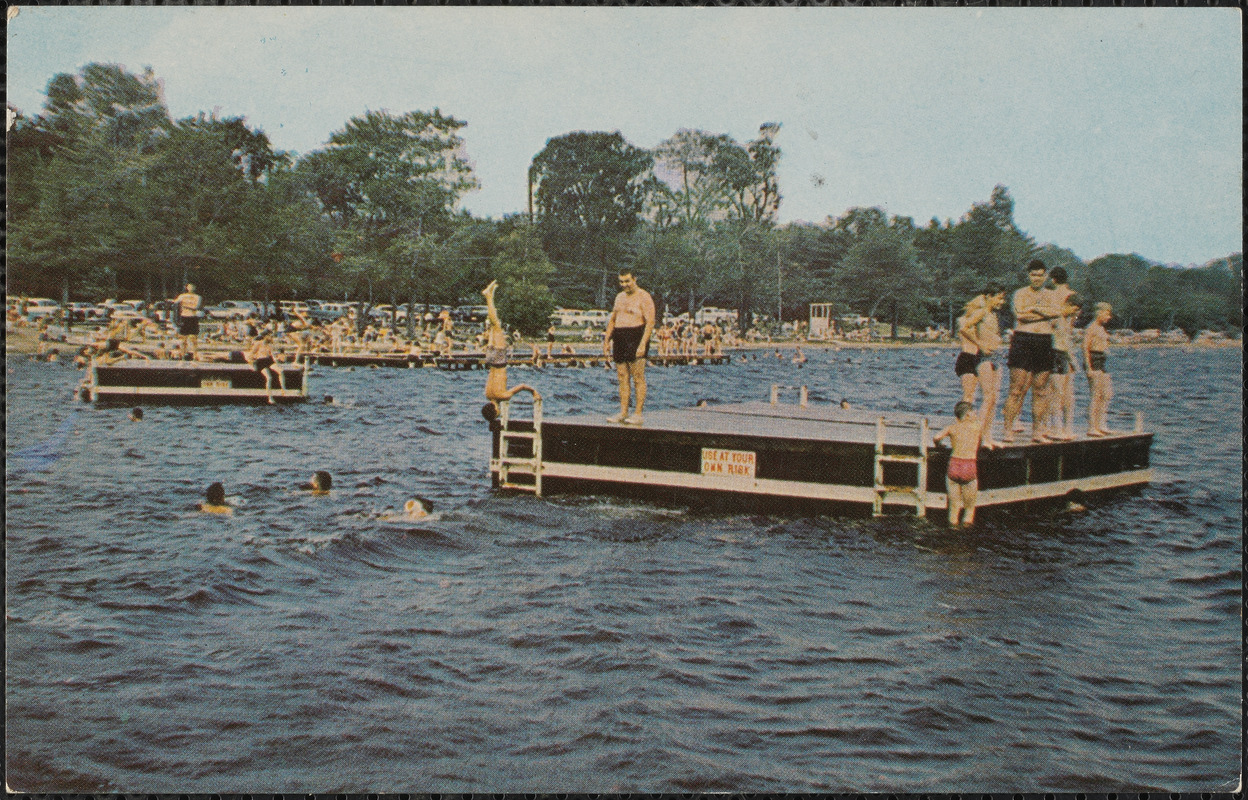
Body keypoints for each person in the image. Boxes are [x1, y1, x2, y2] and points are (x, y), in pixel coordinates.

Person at [1001, 260, 1060, 443]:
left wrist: (1034, 310)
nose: (1037, 278)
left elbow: (1056, 313)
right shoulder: (1020, 293)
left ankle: (1037, 431)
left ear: (1046, 276)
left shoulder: (1051, 294)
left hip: (1043, 340)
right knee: (1016, 389)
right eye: (1034, 275)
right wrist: (1044, 313)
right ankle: (1008, 430)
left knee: (1041, 390)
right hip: (1023, 340)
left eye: (1040, 275)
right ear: (1029, 275)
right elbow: (1020, 316)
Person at [955, 285, 1007, 447]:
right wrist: (980, 344)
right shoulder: (982, 312)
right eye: (999, 298)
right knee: (988, 396)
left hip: (996, 356)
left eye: (1003, 298)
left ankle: (988, 436)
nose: (1002, 302)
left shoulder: (993, 315)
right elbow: (964, 328)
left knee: (994, 399)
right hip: (984, 357)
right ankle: (980, 437)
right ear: (989, 296)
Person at [603, 269, 655, 425]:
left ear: (635, 279)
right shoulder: (619, 297)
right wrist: (607, 339)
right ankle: (623, 412)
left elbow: (650, 322)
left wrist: (643, 344)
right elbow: (613, 319)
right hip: (620, 335)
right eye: (621, 282)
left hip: (636, 335)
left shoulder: (644, 296)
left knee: (638, 377)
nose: (624, 284)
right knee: (622, 377)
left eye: (627, 281)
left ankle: (638, 413)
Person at [481, 281, 539, 415]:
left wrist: (534, 392)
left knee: (496, 324)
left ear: (495, 410)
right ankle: (491, 296)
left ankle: (488, 297)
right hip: (490, 361)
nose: (499, 412)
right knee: (494, 326)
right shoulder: (487, 395)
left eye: (498, 412)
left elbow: (523, 386)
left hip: (499, 362)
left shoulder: (503, 396)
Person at [932, 401, 985, 527]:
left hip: (954, 465)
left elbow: (937, 437)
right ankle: (966, 535)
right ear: (967, 415)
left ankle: (952, 532)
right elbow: (981, 441)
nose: (975, 414)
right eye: (973, 412)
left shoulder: (952, 427)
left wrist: (939, 445)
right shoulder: (977, 427)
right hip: (969, 465)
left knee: (954, 507)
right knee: (969, 508)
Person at [1046, 268, 1082, 441]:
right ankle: (1056, 428)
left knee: (1064, 392)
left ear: (1053, 279)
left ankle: (1062, 427)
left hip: (1062, 350)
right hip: (1055, 349)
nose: (1077, 314)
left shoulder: (1053, 296)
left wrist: (1071, 358)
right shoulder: (1060, 308)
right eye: (1075, 310)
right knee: (1058, 391)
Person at [1084, 302, 1114, 437]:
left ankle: (1101, 423)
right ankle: (1092, 427)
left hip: (1102, 361)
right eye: (1107, 314)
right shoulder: (1091, 328)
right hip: (1094, 359)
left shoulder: (1101, 328)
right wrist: (1088, 367)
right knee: (1095, 395)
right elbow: (1085, 347)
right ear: (1099, 313)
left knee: (1107, 394)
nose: (1109, 317)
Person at [243, 332, 287, 404]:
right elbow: (251, 354)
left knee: (281, 371)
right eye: (270, 336)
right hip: (261, 361)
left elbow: (272, 355)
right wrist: (252, 364)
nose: (271, 338)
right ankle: (270, 397)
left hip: (268, 360)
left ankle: (283, 389)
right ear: (265, 336)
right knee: (269, 378)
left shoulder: (269, 345)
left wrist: (277, 360)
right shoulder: (258, 344)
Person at [172, 283, 202, 357]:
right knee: (183, 338)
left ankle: (195, 355)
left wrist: (184, 306)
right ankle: (182, 354)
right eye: (189, 286)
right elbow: (175, 303)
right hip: (184, 317)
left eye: (192, 286)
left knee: (193, 338)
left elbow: (196, 307)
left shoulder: (197, 297)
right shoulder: (182, 296)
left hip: (192, 318)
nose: (191, 288)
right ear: (187, 288)